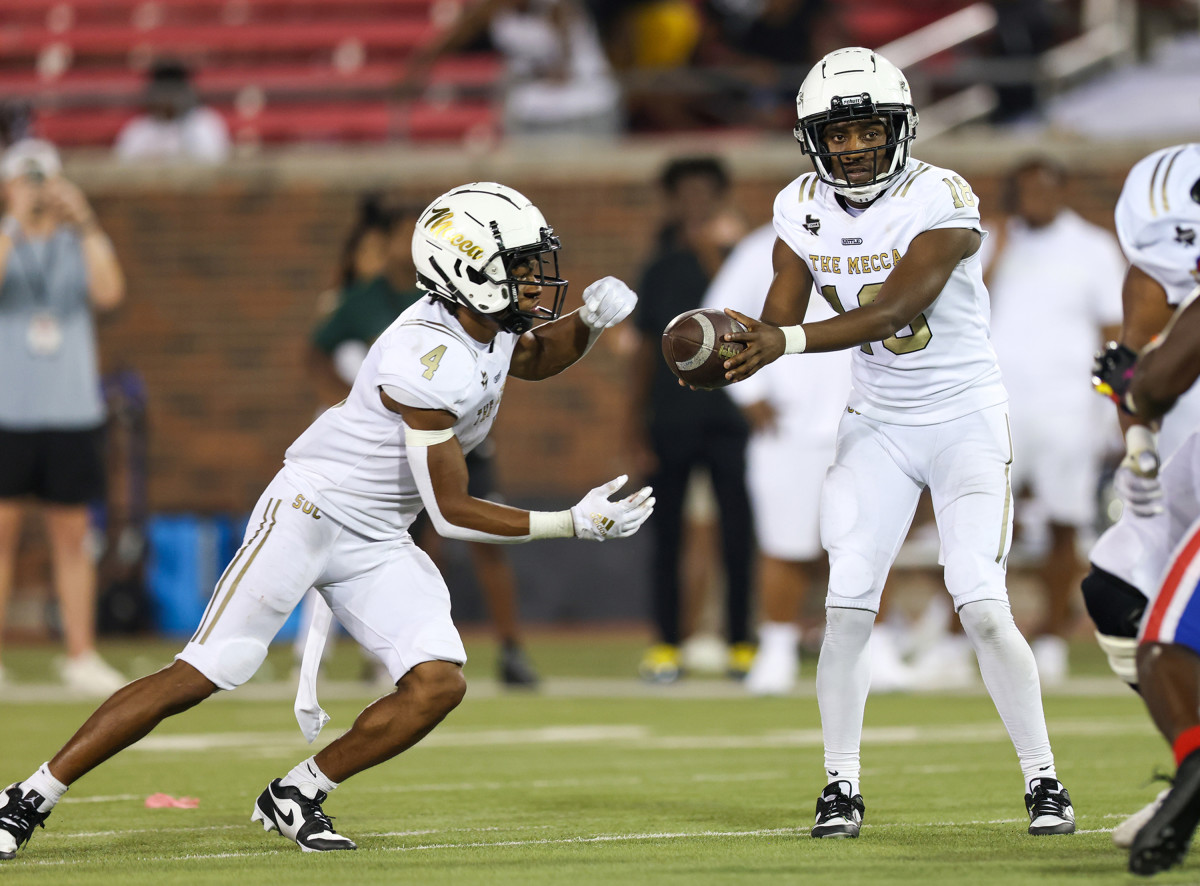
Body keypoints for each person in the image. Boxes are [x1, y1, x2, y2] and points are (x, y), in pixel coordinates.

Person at [0, 182, 653, 860]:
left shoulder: (482, 325)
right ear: (465, 269)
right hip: (313, 511)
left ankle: (298, 793)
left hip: (376, 533)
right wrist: (574, 524)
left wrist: (588, 321)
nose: (531, 279)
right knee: (209, 667)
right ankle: (29, 795)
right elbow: (452, 513)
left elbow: (536, 357)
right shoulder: (426, 358)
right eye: (517, 265)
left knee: (438, 683)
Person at [716, 47, 1074, 838]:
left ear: (901, 128)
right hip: (876, 422)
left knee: (980, 603)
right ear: (812, 140)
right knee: (847, 606)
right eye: (835, 135)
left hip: (963, 417)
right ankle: (839, 785)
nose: (851, 147)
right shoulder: (797, 206)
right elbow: (781, 311)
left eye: (867, 130)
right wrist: (732, 350)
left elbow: (892, 308)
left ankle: (1044, 778)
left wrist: (785, 343)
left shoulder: (941, 194)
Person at [305, 198, 543, 687]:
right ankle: (409, 645)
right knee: (417, 543)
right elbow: (317, 351)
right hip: (407, 442)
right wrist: (342, 402)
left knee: (485, 537)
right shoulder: (366, 299)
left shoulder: (466, 291)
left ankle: (510, 647)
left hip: (465, 436)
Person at [1087, 143, 1200, 876]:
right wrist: (1137, 448)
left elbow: (1150, 380)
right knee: (1117, 583)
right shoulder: (1149, 275)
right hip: (1184, 478)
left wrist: (1137, 392)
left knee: (1165, 642)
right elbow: (1129, 371)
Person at [986, 156, 1125, 684]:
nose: (1035, 199)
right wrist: (995, 247)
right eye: (1025, 190)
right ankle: (963, 635)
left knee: (1064, 524)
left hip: (1067, 407)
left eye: (1044, 189)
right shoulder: (991, 242)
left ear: (1062, 190)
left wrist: (1109, 406)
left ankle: (1050, 637)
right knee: (982, 520)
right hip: (997, 403)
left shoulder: (1092, 247)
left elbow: (1112, 331)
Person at [700, 222, 853, 695]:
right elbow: (718, 322)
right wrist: (750, 393)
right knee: (783, 544)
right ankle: (778, 648)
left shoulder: (887, 234)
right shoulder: (760, 247)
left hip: (866, 417)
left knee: (865, 545)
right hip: (788, 426)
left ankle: (873, 648)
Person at [0, 138, 127, 695]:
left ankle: (80, 652)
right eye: (24, 179)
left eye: (42, 179)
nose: (35, 190)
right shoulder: (5, 237)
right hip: (9, 411)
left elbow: (110, 292)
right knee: (1, 537)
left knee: (72, 537)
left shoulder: (78, 242)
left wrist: (88, 223)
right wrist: (13, 221)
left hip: (72, 411)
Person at [628, 156, 754, 683]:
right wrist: (632, 428)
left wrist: (712, 252)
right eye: (686, 193)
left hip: (731, 416)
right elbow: (640, 354)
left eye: (706, 192)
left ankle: (743, 644)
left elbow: (753, 323)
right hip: (672, 419)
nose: (695, 202)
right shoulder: (658, 268)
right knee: (667, 538)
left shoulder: (742, 261)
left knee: (738, 533)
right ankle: (665, 645)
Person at [401, 0, 621, 137]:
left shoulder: (556, 7)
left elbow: (563, 65)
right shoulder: (493, 9)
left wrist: (538, 73)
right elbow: (457, 35)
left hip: (583, 108)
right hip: (533, 111)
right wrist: (417, 68)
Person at [113, 59, 230, 165]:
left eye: (175, 89)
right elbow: (124, 167)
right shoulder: (138, 130)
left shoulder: (205, 123)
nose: (169, 96)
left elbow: (215, 163)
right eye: (162, 89)